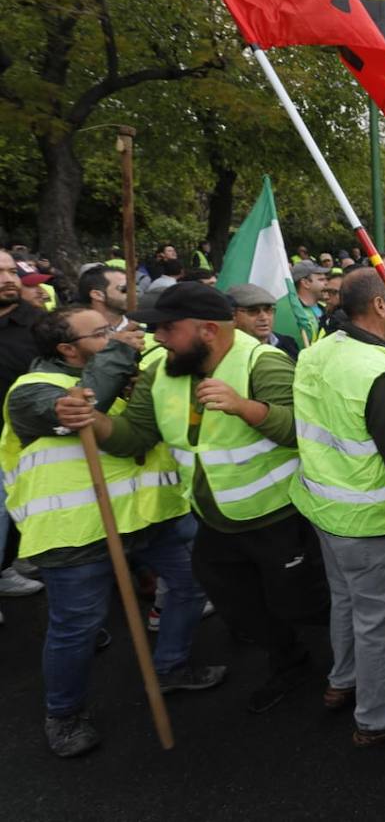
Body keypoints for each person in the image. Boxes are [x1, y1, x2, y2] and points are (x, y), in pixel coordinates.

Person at [55, 282, 329, 714]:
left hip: (278, 516)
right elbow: (136, 437)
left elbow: (304, 432)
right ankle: (289, 661)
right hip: (212, 520)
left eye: (166, 328)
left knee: (301, 601)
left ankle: (346, 659)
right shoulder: (160, 370)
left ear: (206, 330)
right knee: (239, 607)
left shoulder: (264, 362)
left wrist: (246, 407)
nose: (156, 337)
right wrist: (95, 422)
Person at [1, 307, 223, 756]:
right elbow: (83, 407)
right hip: (78, 529)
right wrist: (121, 352)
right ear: (66, 349)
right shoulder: (32, 392)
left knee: (190, 584)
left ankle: (170, 666)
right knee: (77, 626)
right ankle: (63, 714)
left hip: (149, 516)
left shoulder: (123, 373)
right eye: (102, 332)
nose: (118, 336)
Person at [291, 270, 385, 746]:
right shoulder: (382, 372)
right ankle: (375, 718)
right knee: (376, 622)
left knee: (345, 602)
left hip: (323, 509)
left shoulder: (316, 352)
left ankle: (342, 680)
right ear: (377, 306)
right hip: (370, 522)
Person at [0, 249, 44, 606]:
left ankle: (10, 563)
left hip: (27, 438)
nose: (8, 279)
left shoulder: (39, 323)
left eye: (12, 271)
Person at [227, 284, 300, 360]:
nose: (264, 317)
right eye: (253, 311)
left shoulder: (288, 344)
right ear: (233, 316)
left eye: (268, 310)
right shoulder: (224, 350)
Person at [76, 265, 131, 332]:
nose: (134, 294)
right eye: (124, 289)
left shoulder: (143, 329)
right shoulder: (73, 333)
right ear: (97, 295)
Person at [292, 260, 329, 332]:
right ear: (306, 283)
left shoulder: (325, 308)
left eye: (326, 279)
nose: (327, 283)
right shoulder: (293, 312)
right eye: (321, 280)